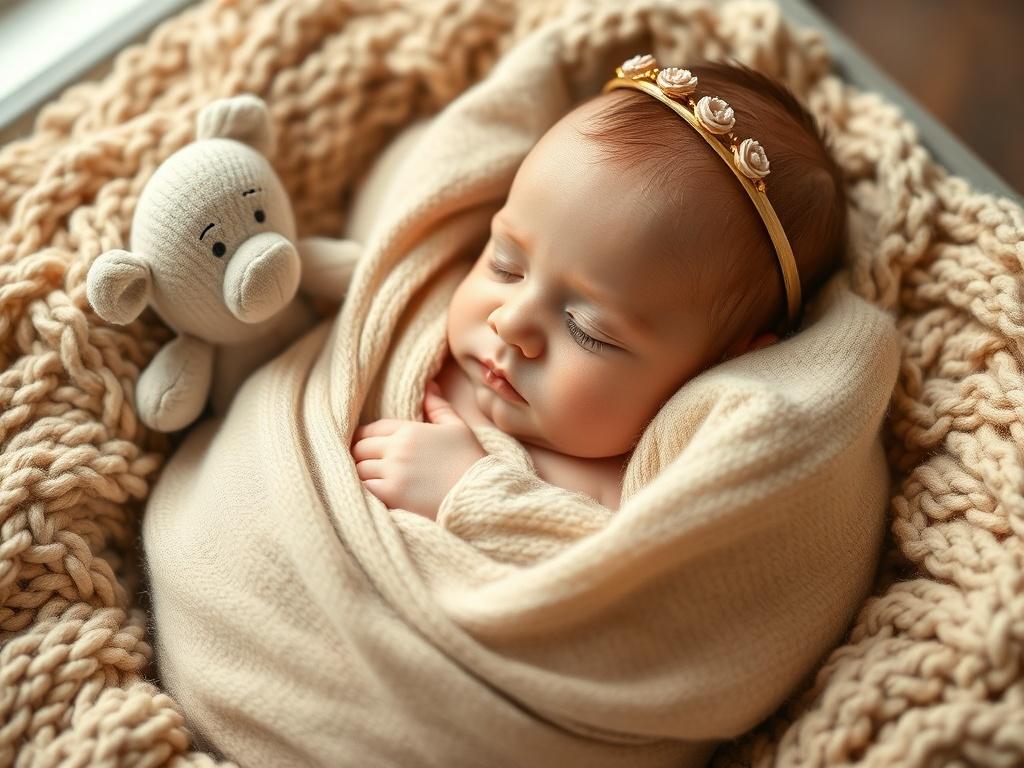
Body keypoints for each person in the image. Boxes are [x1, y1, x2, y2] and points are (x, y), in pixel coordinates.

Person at [351, 56, 847, 518]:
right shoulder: (422, 318)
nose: (509, 322)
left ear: (720, 366)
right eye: (505, 266)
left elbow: (614, 583)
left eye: (587, 331)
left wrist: (469, 490)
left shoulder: (628, 495)